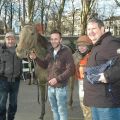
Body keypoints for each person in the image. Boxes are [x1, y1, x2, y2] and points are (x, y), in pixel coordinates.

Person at [29, 29, 75, 120]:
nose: (53, 41)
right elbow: (45, 65)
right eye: (52, 39)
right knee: (54, 109)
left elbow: (70, 69)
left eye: (56, 39)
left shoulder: (66, 52)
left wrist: (57, 79)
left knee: (62, 110)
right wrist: (36, 58)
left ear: (60, 40)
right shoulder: (50, 51)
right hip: (50, 87)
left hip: (60, 87)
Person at [83, 18, 120, 120]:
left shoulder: (109, 42)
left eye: (94, 28)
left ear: (102, 29)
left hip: (107, 103)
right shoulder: (98, 45)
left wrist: (106, 76)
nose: (91, 32)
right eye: (88, 29)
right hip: (98, 101)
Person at [0, 32, 22, 120]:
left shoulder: (19, 50)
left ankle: (11, 118)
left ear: (15, 40)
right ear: (5, 40)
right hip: (3, 80)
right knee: (2, 104)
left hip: (16, 81)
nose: (10, 41)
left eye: (12, 38)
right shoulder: (1, 49)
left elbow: (28, 55)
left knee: (13, 104)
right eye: (8, 39)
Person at [74, 35, 92, 120]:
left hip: (89, 85)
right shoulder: (77, 56)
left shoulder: (92, 56)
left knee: (88, 107)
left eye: (84, 46)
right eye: (79, 46)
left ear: (88, 46)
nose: (81, 48)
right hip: (80, 83)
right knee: (83, 106)